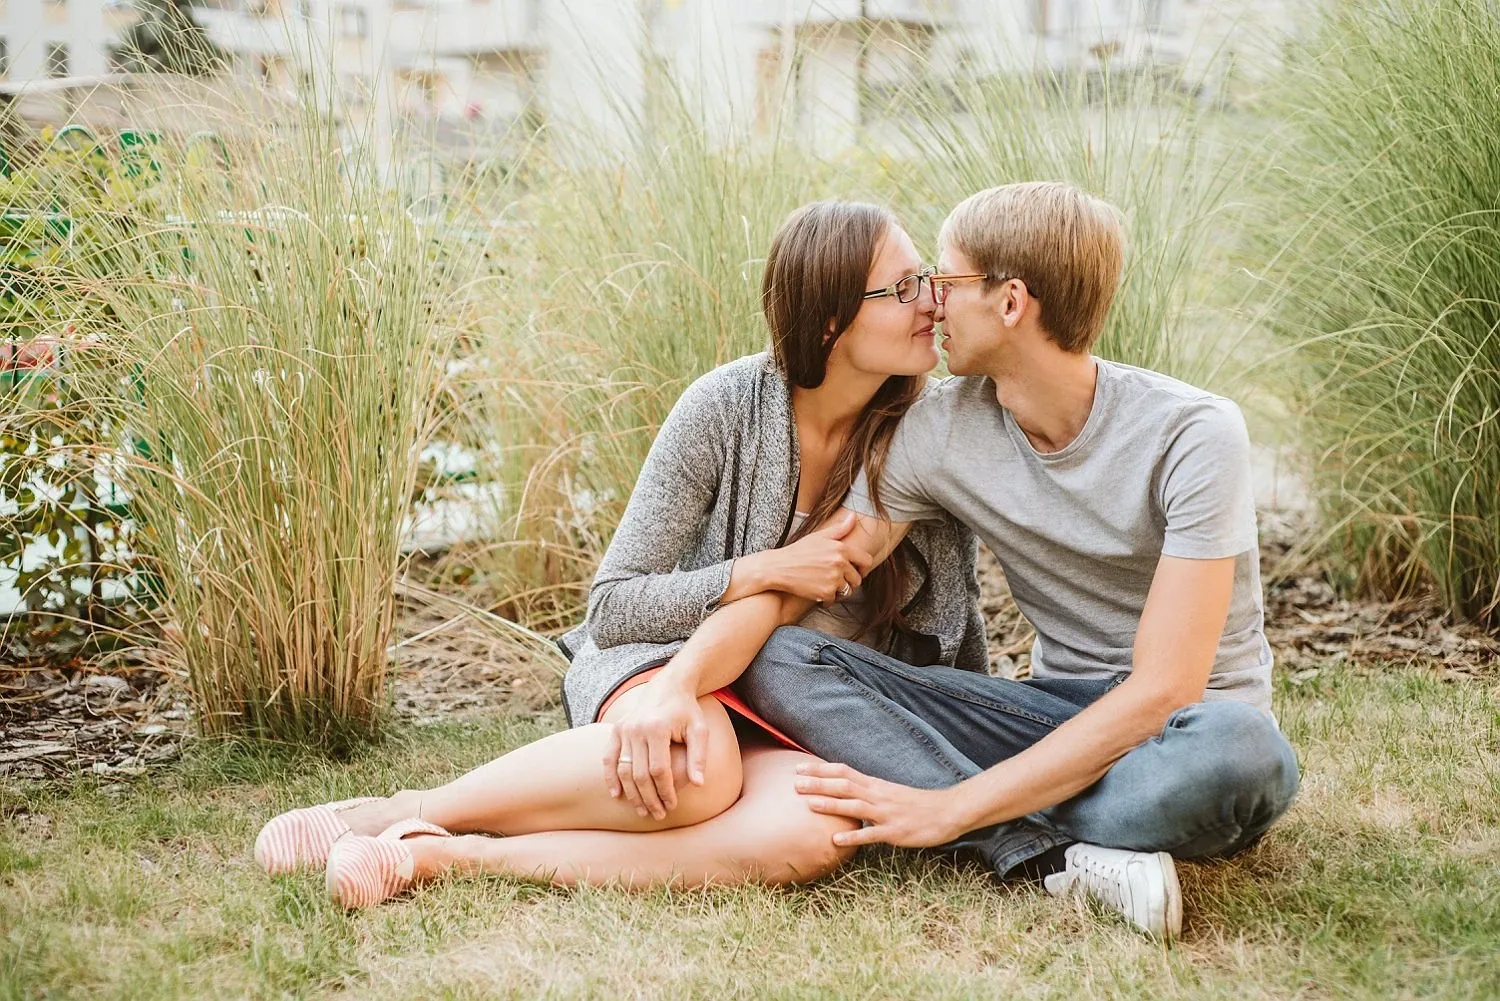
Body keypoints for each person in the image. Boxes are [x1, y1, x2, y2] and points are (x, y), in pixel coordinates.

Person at [605, 182, 1301, 940]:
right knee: (779, 656)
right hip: (1048, 716)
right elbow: (803, 587)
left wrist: (948, 807)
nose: (933, 301)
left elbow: (1163, 690)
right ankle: (1054, 853)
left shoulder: (1196, 434)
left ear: (1010, 302)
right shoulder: (935, 429)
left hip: (1182, 733)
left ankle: (993, 820)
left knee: (1243, 756)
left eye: (945, 278)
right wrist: (678, 682)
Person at [252, 200, 989, 906]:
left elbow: (954, 616)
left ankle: (441, 856)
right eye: (901, 288)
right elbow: (614, 604)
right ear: (829, 318)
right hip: (667, 662)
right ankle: (399, 810)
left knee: (817, 831)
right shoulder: (725, 406)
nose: (931, 302)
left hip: (801, 710)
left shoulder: (922, 433)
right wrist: (756, 571)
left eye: (926, 279)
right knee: (695, 767)